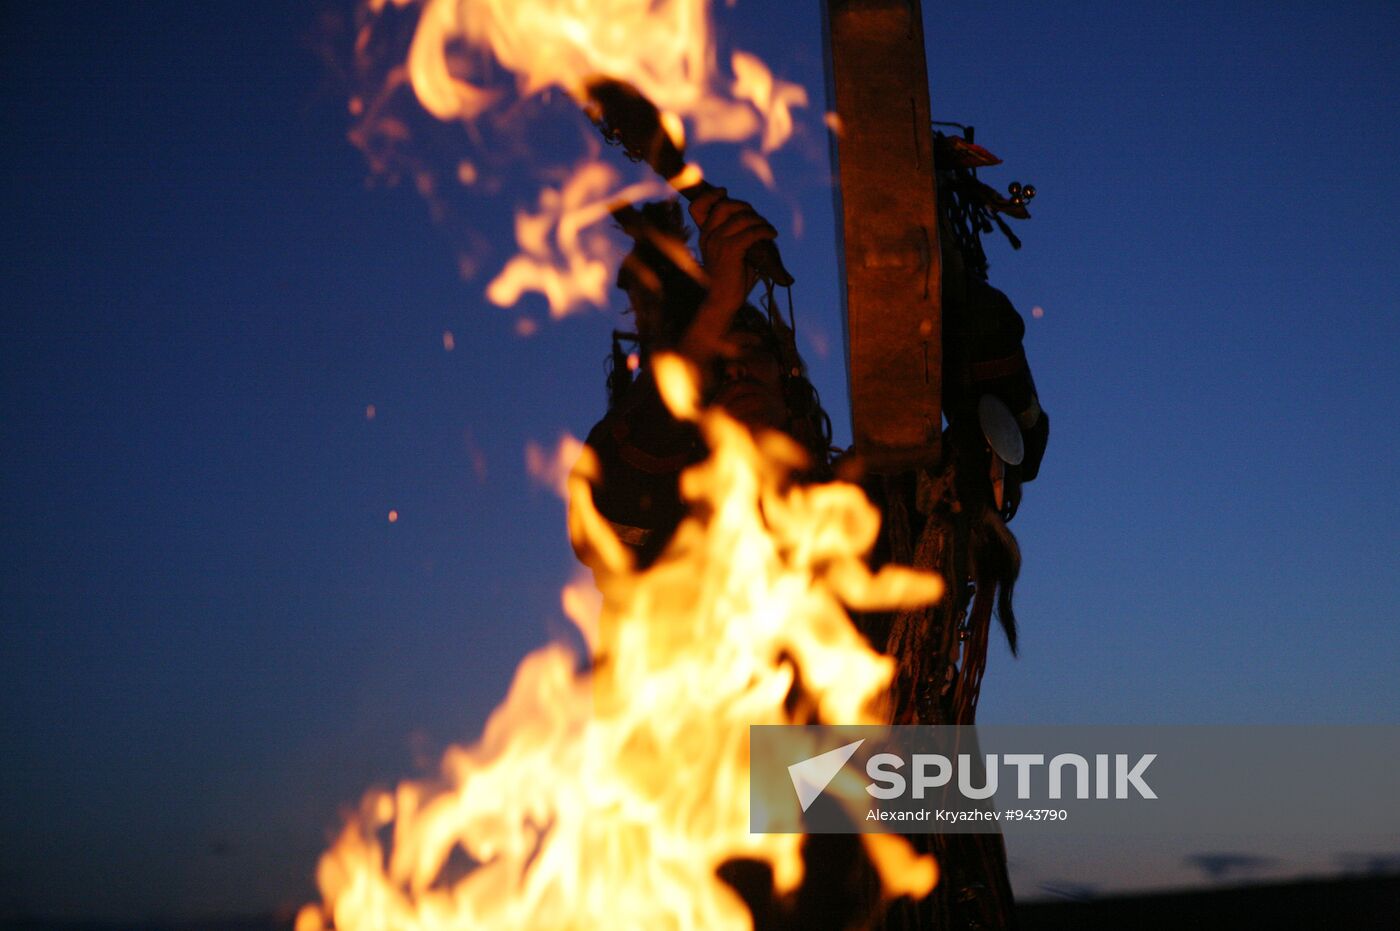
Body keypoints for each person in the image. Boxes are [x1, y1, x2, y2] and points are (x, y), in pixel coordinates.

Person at [576, 185, 1043, 928]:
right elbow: (614, 490)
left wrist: (944, 274)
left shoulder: (877, 513)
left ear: (792, 377)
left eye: (748, 350)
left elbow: (1005, 447)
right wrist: (719, 298)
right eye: (710, 361)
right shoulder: (664, 528)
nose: (731, 369)